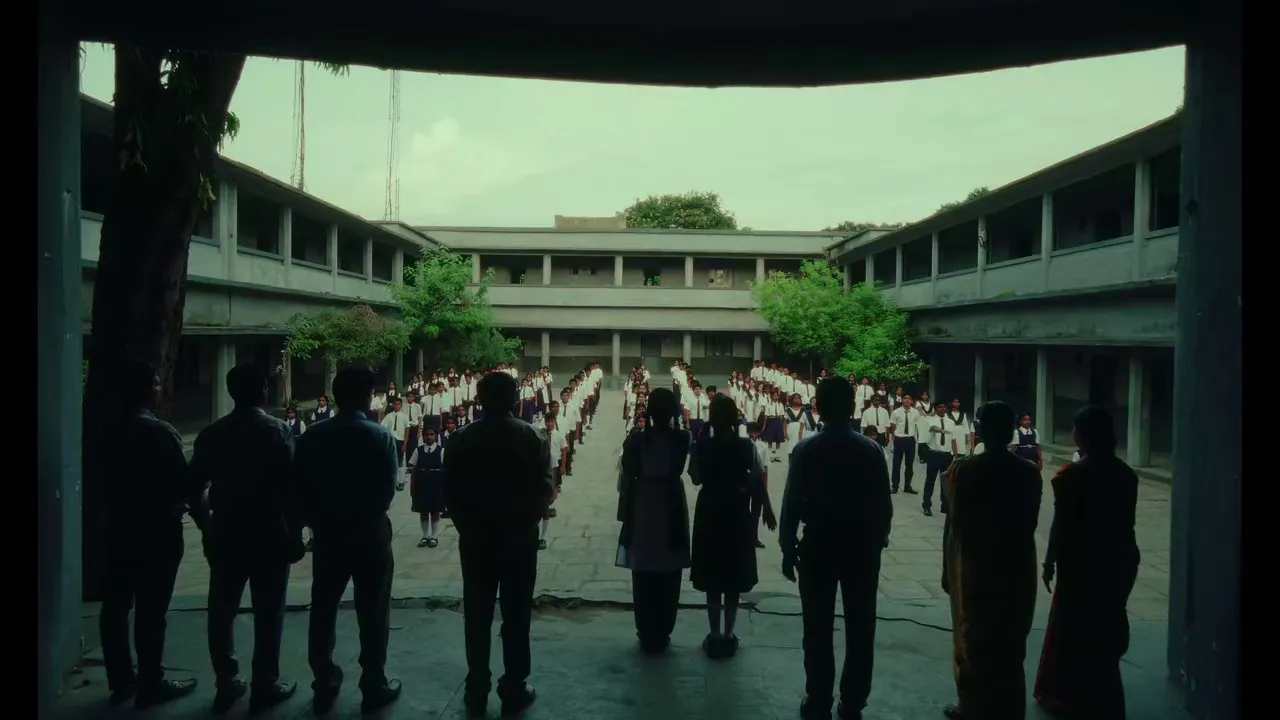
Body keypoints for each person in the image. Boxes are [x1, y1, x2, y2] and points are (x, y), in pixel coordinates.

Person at [189, 364, 305, 713]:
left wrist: (207, 528)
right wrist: (295, 533)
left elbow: (193, 489)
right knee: (269, 612)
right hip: (269, 531)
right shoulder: (277, 431)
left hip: (227, 530)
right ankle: (264, 684)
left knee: (221, 611)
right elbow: (292, 490)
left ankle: (227, 681)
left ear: (231, 392)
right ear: (264, 392)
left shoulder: (213, 433)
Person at [779, 377, 892, 720]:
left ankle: (818, 698)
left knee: (817, 626)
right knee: (861, 626)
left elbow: (792, 502)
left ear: (819, 407)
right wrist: (878, 542)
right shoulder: (870, 450)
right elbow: (883, 505)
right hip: (860, 546)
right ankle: (853, 700)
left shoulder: (806, 450)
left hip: (819, 543)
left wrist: (787, 546)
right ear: (852, 407)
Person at [443, 372, 552, 716]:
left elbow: (451, 493)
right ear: (515, 399)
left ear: (479, 399)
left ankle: (477, 685)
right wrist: (525, 524)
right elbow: (544, 491)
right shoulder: (532, 437)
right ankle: (514, 685)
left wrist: (467, 526)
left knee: (477, 614)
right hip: (518, 538)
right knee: (517, 614)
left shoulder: (461, 439)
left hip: (477, 537)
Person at [295, 366, 402, 715]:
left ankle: (324, 679)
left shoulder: (313, 436)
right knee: (373, 611)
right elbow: (387, 492)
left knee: (323, 608)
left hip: (328, 534)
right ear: (368, 397)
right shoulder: (379, 436)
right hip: (369, 532)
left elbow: (299, 490)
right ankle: (373, 682)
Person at [94, 358, 199, 708]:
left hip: (118, 530)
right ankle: (151, 682)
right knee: (151, 612)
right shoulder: (159, 432)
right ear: (143, 390)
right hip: (157, 532)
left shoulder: (105, 430)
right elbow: (185, 484)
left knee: (115, 606)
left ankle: (122, 679)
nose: (160, 388)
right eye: (155, 382)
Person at [1035, 406, 1140, 718]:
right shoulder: (1126, 474)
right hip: (1118, 561)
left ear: (1081, 434)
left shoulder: (1071, 476)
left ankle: (1072, 695)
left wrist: (1049, 562)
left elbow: (1061, 525)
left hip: (1081, 563)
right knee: (1107, 625)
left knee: (1074, 629)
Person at [941, 401, 1043, 720]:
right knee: (1011, 641)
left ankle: (973, 707)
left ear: (980, 430)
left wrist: (947, 569)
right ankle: (1010, 709)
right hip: (1016, 566)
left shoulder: (964, 470)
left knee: (975, 640)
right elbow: (1030, 522)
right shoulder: (1029, 472)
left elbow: (955, 524)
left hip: (976, 567)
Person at [689, 396, 776, 659]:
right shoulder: (746, 446)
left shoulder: (702, 446)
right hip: (736, 511)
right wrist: (766, 507)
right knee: (732, 574)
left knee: (713, 573)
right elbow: (756, 476)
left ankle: (714, 633)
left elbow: (695, 477)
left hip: (710, 509)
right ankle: (728, 634)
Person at [615, 388, 693, 655]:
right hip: (670, 498)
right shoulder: (681, 439)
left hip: (644, 501)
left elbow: (627, 475)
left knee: (644, 568)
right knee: (669, 567)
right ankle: (664, 628)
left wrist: (625, 512)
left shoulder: (637, 440)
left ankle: (646, 628)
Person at [917, 402, 959, 517]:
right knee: (930, 480)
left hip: (947, 455)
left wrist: (956, 456)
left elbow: (953, 439)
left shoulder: (950, 422)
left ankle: (945, 506)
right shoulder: (930, 420)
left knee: (945, 481)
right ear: (935, 409)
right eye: (940, 407)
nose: (943, 408)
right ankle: (926, 505)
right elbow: (933, 428)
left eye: (944, 406)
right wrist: (941, 430)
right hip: (934, 454)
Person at [407, 426, 446, 548]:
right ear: (423, 437)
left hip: (436, 483)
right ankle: (425, 535)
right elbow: (414, 470)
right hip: (422, 483)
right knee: (423, 511)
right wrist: (412, 487)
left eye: (432, 434)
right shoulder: (418, 451)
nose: (429, 437)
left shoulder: (441, 451)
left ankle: (434, 536)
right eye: (427, 435)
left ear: (436, 436)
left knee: (435, 511)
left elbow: (445, 470)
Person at [887, 395, 919, 494]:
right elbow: (893, 427)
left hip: (910, 440)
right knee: (896, 464)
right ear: (902, 400)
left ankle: (907, 486)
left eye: (909, 398)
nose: (907, 400)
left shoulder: (915, 412)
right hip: (899, 439)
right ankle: (895, 486)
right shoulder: (896, 412)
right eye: (905, 398)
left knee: (909, 465)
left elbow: (917, 427)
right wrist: (893, 440)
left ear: (912, 401)